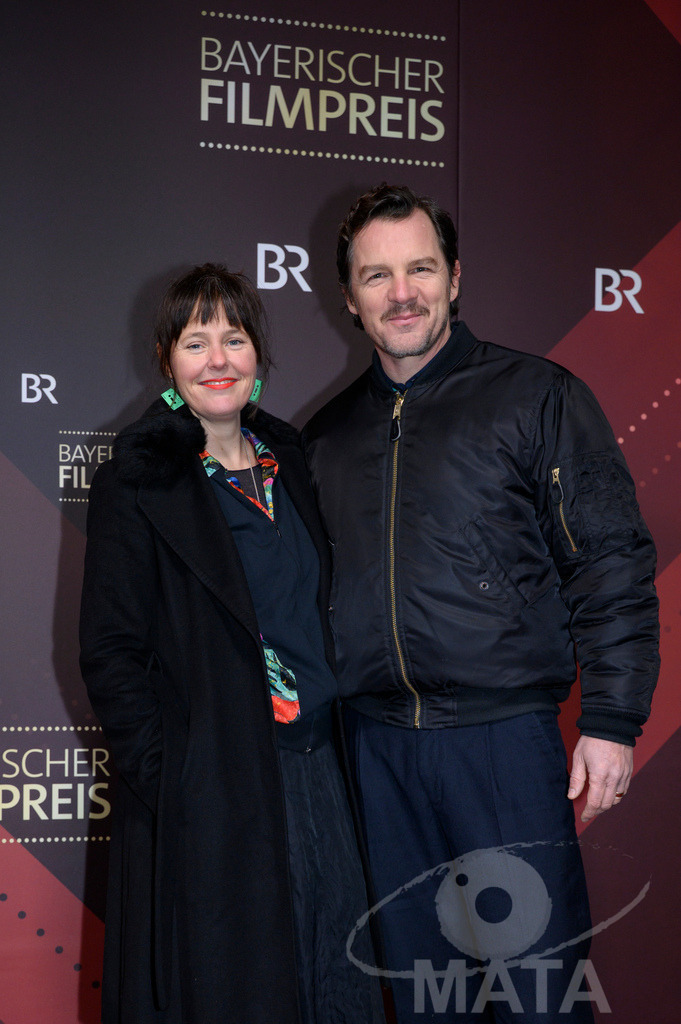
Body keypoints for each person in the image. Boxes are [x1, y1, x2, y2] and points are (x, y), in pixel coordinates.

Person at [303, 185, 660, 1023]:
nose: (402, 293)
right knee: (421, 1000)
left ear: (455, 277)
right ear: (348, 296)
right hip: (376, 751)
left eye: (421, 269)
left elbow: (609, 559)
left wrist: (612, 719)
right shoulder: (324, 437)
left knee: (537, 995)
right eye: (377, 275)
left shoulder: (536, 396)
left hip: (501, 745)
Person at [79, 264, 380, 1024]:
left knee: (334, 987)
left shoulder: (294, 462)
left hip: (322, 776)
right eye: (195, 342)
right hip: (218, 788)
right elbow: (110, 652)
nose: (218, 360)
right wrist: (178, 779)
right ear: (166, 358)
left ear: (258, 354)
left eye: (235, 338)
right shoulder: (137, 481)